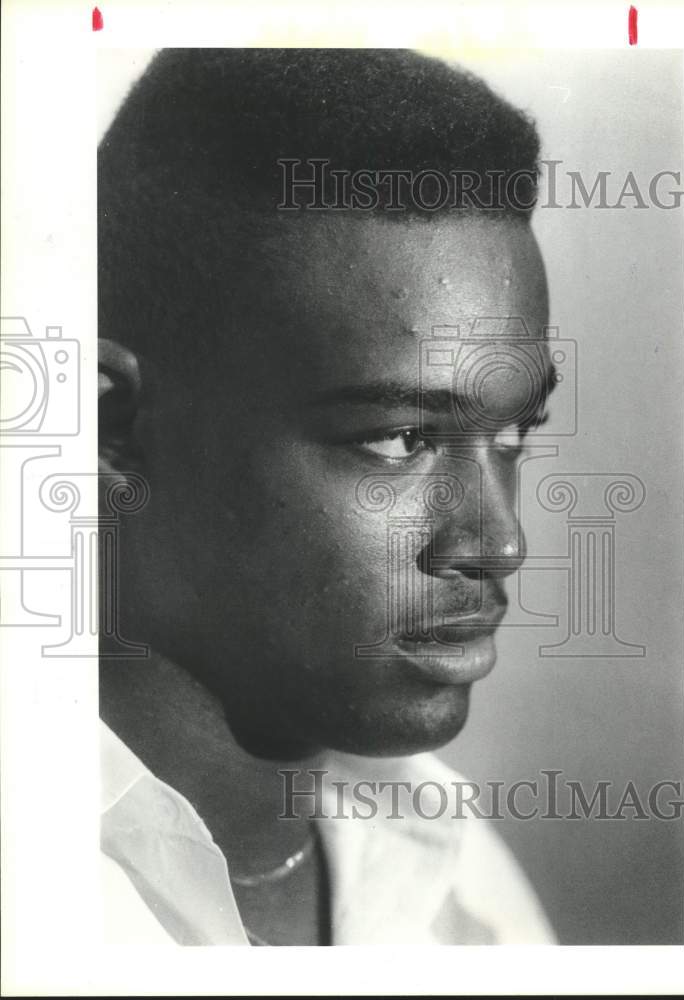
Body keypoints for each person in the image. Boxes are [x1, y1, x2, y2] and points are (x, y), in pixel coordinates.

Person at [98, 47, 557, 945]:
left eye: (510, 437)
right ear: (112, 424)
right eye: (397, 440)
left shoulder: (457, 879)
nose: (497, 543)